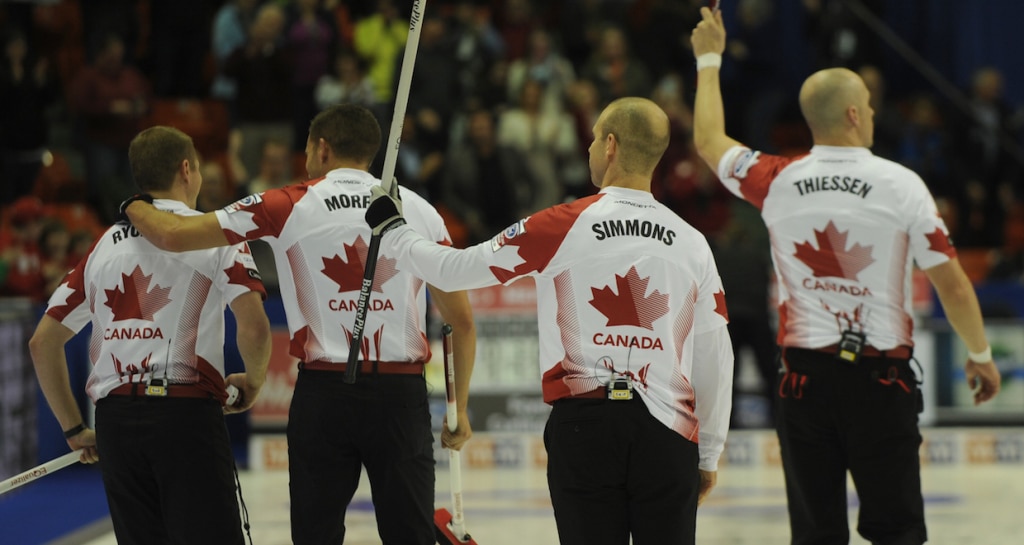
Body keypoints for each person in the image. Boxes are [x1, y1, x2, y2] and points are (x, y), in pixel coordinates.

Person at [689, 8, 1003, 545]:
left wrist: (709, 58)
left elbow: (709, 140)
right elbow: (951, 282)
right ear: (856, 114)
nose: (876, 115)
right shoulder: (901, 185)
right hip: (881, 381)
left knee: (816, 533)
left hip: (804, 381)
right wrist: (979, 354)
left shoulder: (777, 178)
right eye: (873, 108)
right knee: (896, 528)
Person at [366, 96, 734, 545]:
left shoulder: (562, 224)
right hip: (668, 432)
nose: (590, 148)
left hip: (586, 428)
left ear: (612, 145)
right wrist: (709, 452)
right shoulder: (694, 243)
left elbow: (454, 268)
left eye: (596, 138)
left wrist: (396, 231)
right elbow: (716, 356)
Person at [123, 104, 477, 545]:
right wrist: (459, 410)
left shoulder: (287, 202)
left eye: (307, 150)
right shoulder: (421, 211)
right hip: (399, 397)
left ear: (321, 148)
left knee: (314, 535)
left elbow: (174, 235)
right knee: (411, 536)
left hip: (323, 395)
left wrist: (135, 205)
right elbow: (461, 322)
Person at [28, 125, 271, 545]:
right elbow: (253, 326)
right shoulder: (216, 234)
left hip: (116, 422)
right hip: (185, 416)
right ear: (186, 170)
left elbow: (42, 342)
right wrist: (254, 380)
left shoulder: (104, 244)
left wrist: (72, 429)